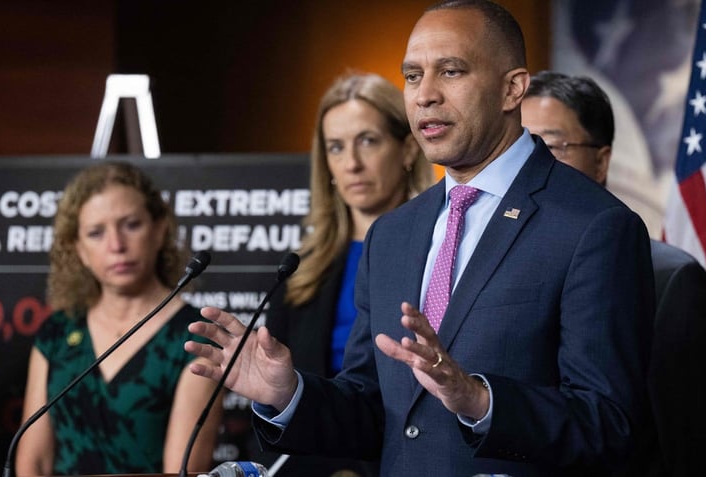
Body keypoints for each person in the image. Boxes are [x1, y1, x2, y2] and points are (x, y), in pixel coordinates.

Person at [185, 1, 655, 475]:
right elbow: (376, 410)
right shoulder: (391, 234)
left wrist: (478, 399)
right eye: (412, 76)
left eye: (451, 71)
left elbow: (610, 426)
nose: (424, 95)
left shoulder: (592, 225)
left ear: (512, 88)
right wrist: (289, 394)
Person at [521, 70, 706, 476]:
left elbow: (702, 448)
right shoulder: (495, 271)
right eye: (519, 150)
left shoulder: (670, 280)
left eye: (551, 147)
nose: (532, 167)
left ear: (602, 160)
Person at [261, 73, 433, 475]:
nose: (351, 163)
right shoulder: (299, 270)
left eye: (368, 141)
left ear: (408, 149)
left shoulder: (442, 254)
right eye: (336, 148)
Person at [16, 161, 222, 475]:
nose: (116, 245)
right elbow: (33, 463)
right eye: (96, 233)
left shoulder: (197, 337)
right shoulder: (57, 333)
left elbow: (183, 471)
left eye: (131, 224)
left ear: (159, 228)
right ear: (79, 250)